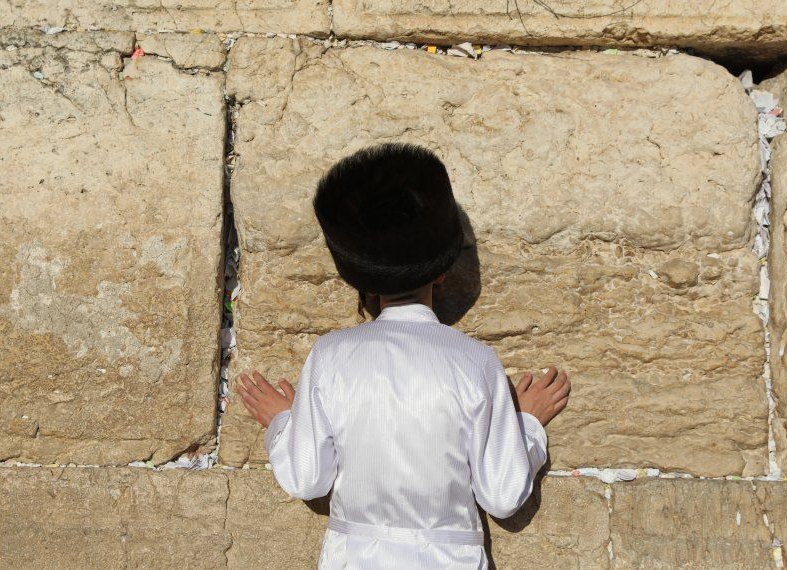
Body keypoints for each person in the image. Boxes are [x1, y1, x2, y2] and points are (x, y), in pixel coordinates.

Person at [235, 142, 571, 569]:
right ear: (443, 270)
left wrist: (285, 421)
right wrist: (524, 425)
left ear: (362, 281)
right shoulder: (476, 362)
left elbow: (306, 477)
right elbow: (503, 496)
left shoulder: (330, 356)